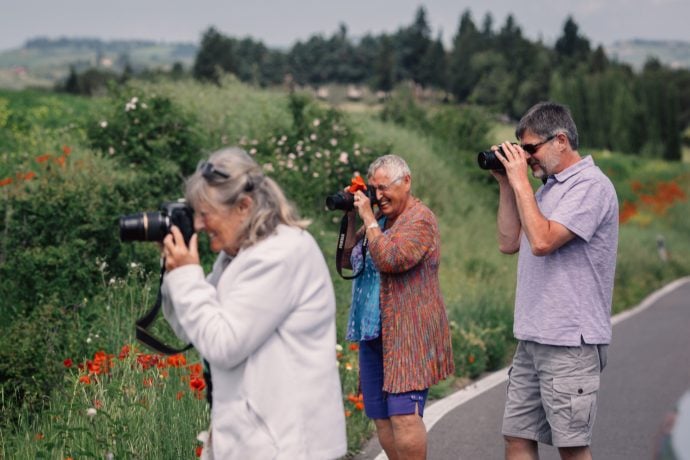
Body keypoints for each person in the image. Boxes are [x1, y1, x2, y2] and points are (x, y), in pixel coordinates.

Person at [160, 147, 347, 459]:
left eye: (205, 214)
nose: (200, 225)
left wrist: (187, 276)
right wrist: (174, 275)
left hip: (285, 445)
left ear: (243, 206)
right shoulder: (238, 256)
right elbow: (191, 328)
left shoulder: (279, 255)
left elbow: (224, 345)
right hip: (253, 440)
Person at [490, 102, 619, 460]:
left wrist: (521, 184)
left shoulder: (592, 186)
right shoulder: (547, 189)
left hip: (569, 341)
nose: (526, 158)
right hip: (532, 336)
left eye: (530, 149)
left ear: (560, 140)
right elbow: (507, 242)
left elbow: (544, 241)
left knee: (572, 447)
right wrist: (506, 184)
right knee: (516, 438)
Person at [342, 154, 454, 460]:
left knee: (404, 416)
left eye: (383, 188)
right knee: (382, 417)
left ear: (406, 181)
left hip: (408, 335)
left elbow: (391, 259)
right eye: (373, 189)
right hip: (373, 332)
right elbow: (346, 260)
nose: (378, 196)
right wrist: (352, 216)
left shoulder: (421, 220)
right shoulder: (377, 221)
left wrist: (367, 218)